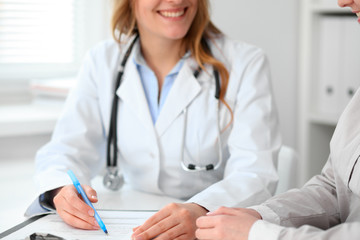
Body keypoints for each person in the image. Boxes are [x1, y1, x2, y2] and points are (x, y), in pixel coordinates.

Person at [26, 0, 281, 239]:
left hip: (210, 227)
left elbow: (255, 171)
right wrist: (60, 189)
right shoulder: (102, 61)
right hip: (130, 220)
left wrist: (202, 209)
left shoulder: (246, 63)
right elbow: (66, 148)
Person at [195, 0, 360, 239]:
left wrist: (259, 233)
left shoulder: (244, 59)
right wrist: (260, 216)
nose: (342, 1)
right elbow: (335, 189)